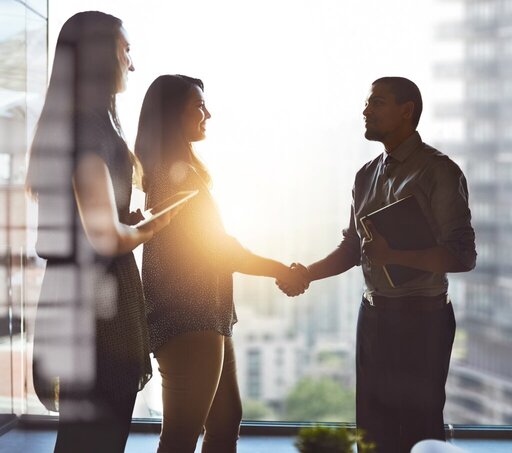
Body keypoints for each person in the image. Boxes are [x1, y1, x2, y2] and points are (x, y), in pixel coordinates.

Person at [278, 77, 476, 453]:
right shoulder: (365, 175)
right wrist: (306, 274)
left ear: (407, 111)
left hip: (424, 322)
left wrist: (395, 256)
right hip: (373, 318)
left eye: (377, 103)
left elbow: (463, 256)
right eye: (368, 104)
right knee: (372, 431)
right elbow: (353, 248)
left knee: (420, 431)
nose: (366, 111)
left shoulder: (440, 172)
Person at [134, 74, 308, 453]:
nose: (208, 113)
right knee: (180, 438)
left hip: (209, 316)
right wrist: (281, 270)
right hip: (187, 319)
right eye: (198, 106)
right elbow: (220, 250)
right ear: (171, 116)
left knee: (226, 421)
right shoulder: (171, 176)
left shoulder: (185, 171)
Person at [26, 11, 173, 453]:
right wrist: (153, 226)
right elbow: (106, 238)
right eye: (125, 50)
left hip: (83, 300)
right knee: (98, 436)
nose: (132, 64)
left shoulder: (86, 123)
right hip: (97, 308)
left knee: (88, 434)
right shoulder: (87, 130)